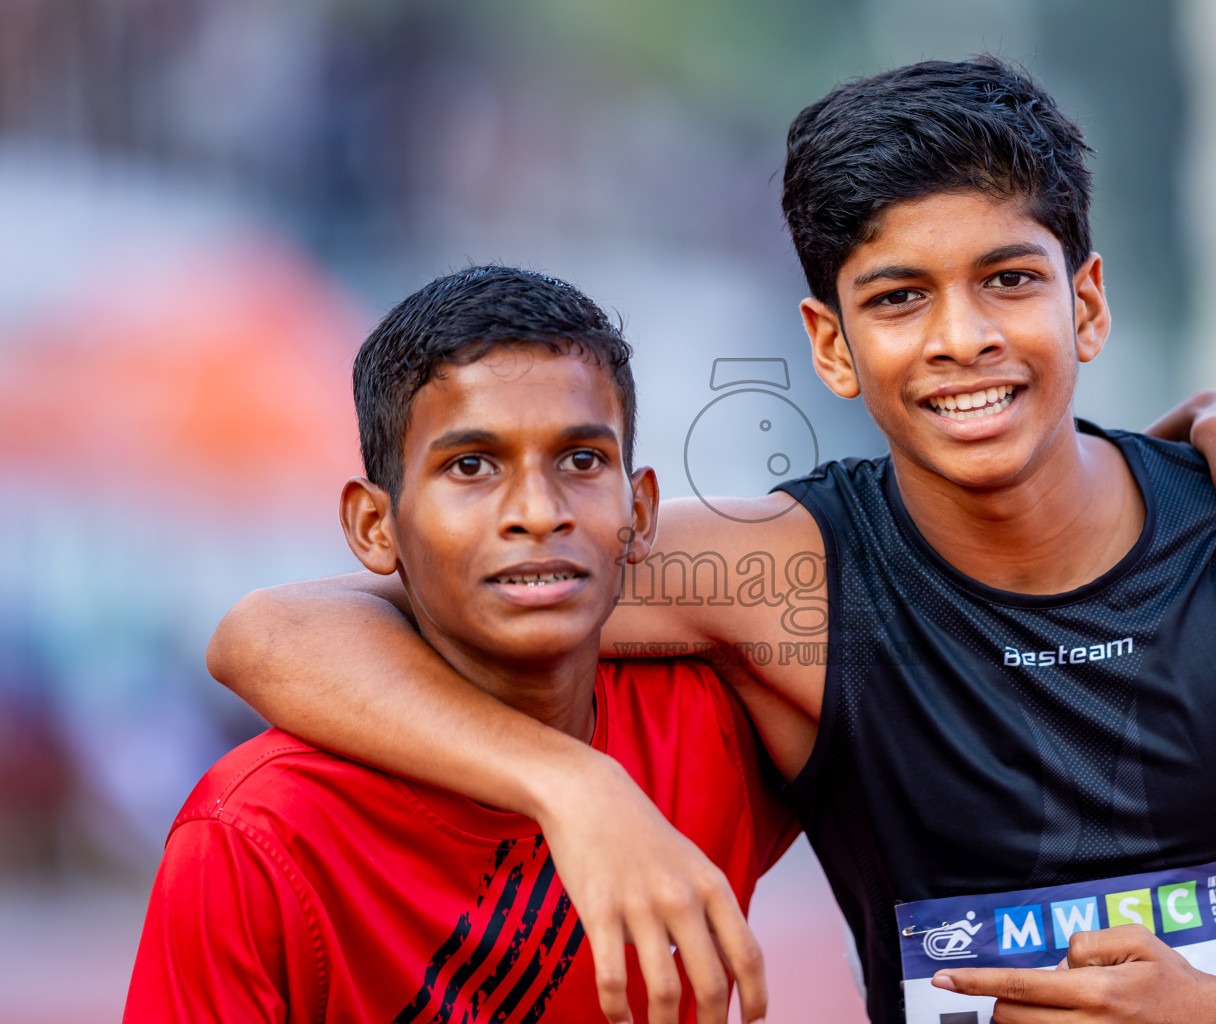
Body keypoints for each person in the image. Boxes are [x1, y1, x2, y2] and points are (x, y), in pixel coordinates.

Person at [203, 59, 1216, 1024]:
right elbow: (271, 629)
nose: (961, 337)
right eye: (900, 298)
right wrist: (577, 791)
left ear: (1088, 302)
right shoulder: (789, 579)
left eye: (1009, 280)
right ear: (832, 344)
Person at [125, 268, 796, 1024]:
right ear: (374, 528)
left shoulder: (721, 729)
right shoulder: (256, 835)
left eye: (581, 461)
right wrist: (577, 785)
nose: (538, 513)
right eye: (471, 466)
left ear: (639, 510)